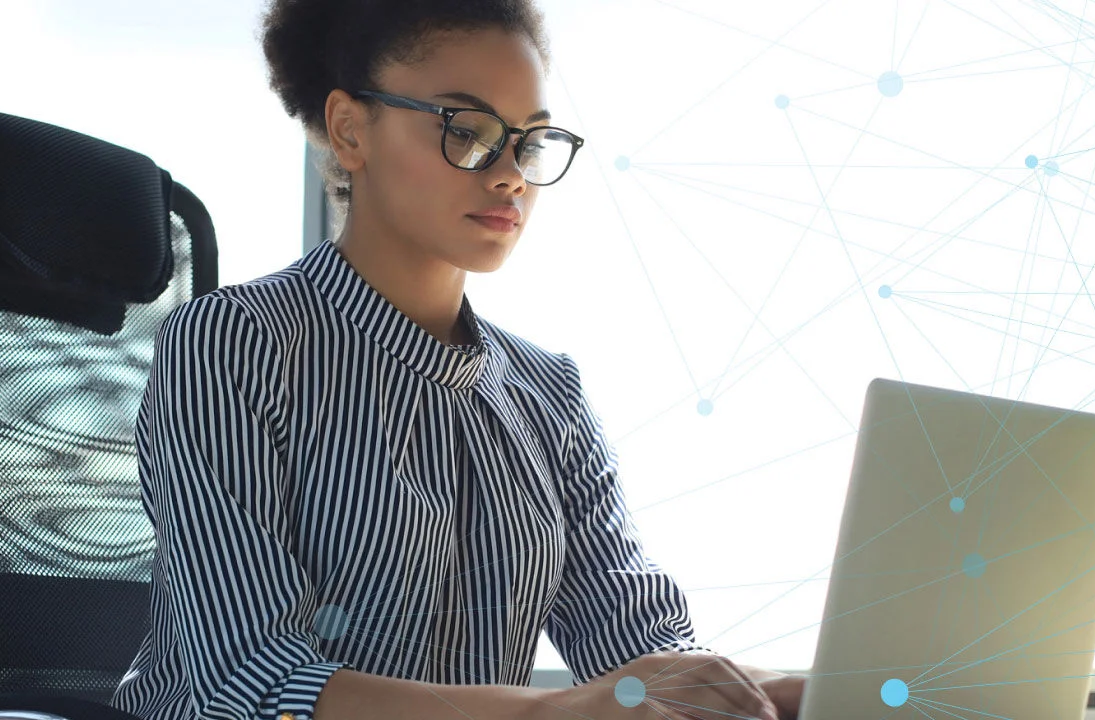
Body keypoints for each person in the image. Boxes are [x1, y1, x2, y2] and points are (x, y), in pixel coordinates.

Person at [107, 1, 805, 718]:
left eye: (530, 142)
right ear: (351, 129)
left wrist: (805, 691)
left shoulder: (548, 393)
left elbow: (639, 651)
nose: (511, 177)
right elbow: (250, 681)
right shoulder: (232, 342)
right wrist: (550, 712)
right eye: (466, 132)